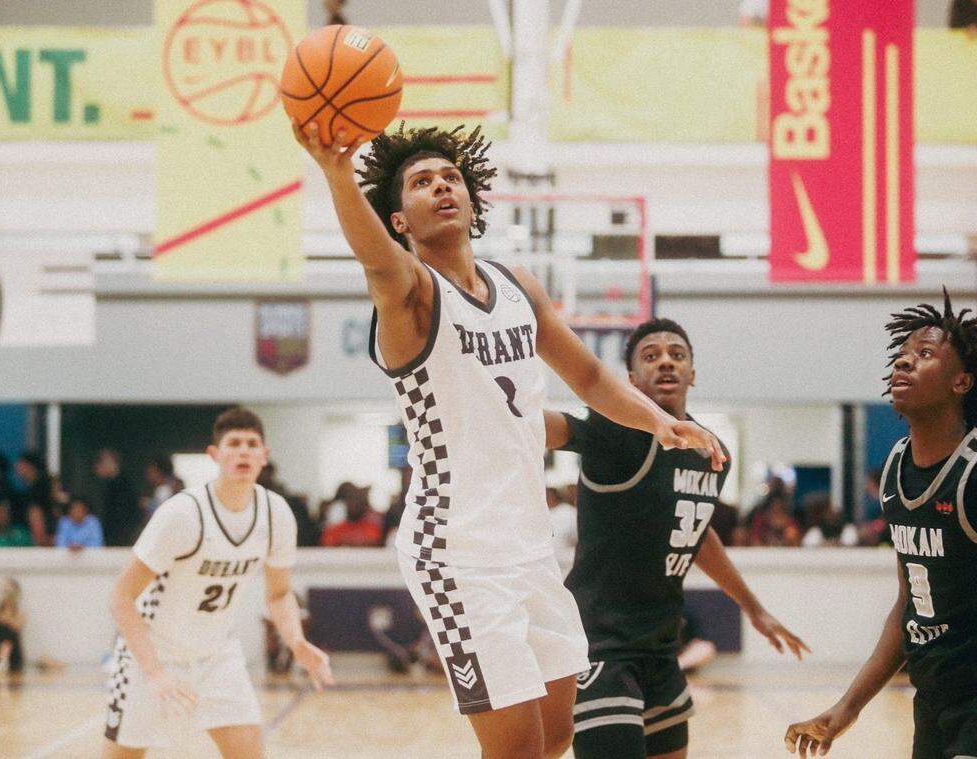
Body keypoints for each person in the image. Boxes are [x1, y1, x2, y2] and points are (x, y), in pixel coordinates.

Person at [292, 121, 724, 759]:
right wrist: (335, 172)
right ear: (398, 220)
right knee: (516, 748)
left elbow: (589, 374)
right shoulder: (408, 294)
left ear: (471, 199)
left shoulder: (517, 286)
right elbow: (374, 258)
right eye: (420, 182)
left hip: (528, 547)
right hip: (455, 549)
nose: (442, 186)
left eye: (451, 177)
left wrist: (655, 420)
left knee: (554, 737)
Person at [786, 292, 977, 758]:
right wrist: (847, 708)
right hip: (934, 692)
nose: (904, 363)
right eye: (901, 356)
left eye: (924, 354)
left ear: (962, 382)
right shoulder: (893, 471)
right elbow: (908, 606)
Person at [546, 317, 807, 759]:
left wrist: (755, 609)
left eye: (676, 354)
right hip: (601, 644)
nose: (665, 362)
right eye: (651, 356)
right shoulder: (616, 431)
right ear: (630, 379)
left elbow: (697, 533)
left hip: (662, 647)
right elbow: (557, 426)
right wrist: (502, 411)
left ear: (692, 373)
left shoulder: (708, 450)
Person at [103, 407, 332, 758]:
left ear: (263, 456)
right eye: (234, 443)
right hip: (150, 655)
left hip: (216, 654)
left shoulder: (276, 514)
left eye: (252, 444)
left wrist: (296, 641)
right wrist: (156, 672)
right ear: (215, 454)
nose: (243, 451)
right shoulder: (183, 514)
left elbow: (280, 593)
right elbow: (121, 596)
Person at [95, 449, 143, 547]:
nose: (99, 466)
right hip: (112, 537)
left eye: (102, 461)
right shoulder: (108, 485)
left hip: (122, 538)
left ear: (113, 461)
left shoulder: (125, 485)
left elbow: (128, 515)